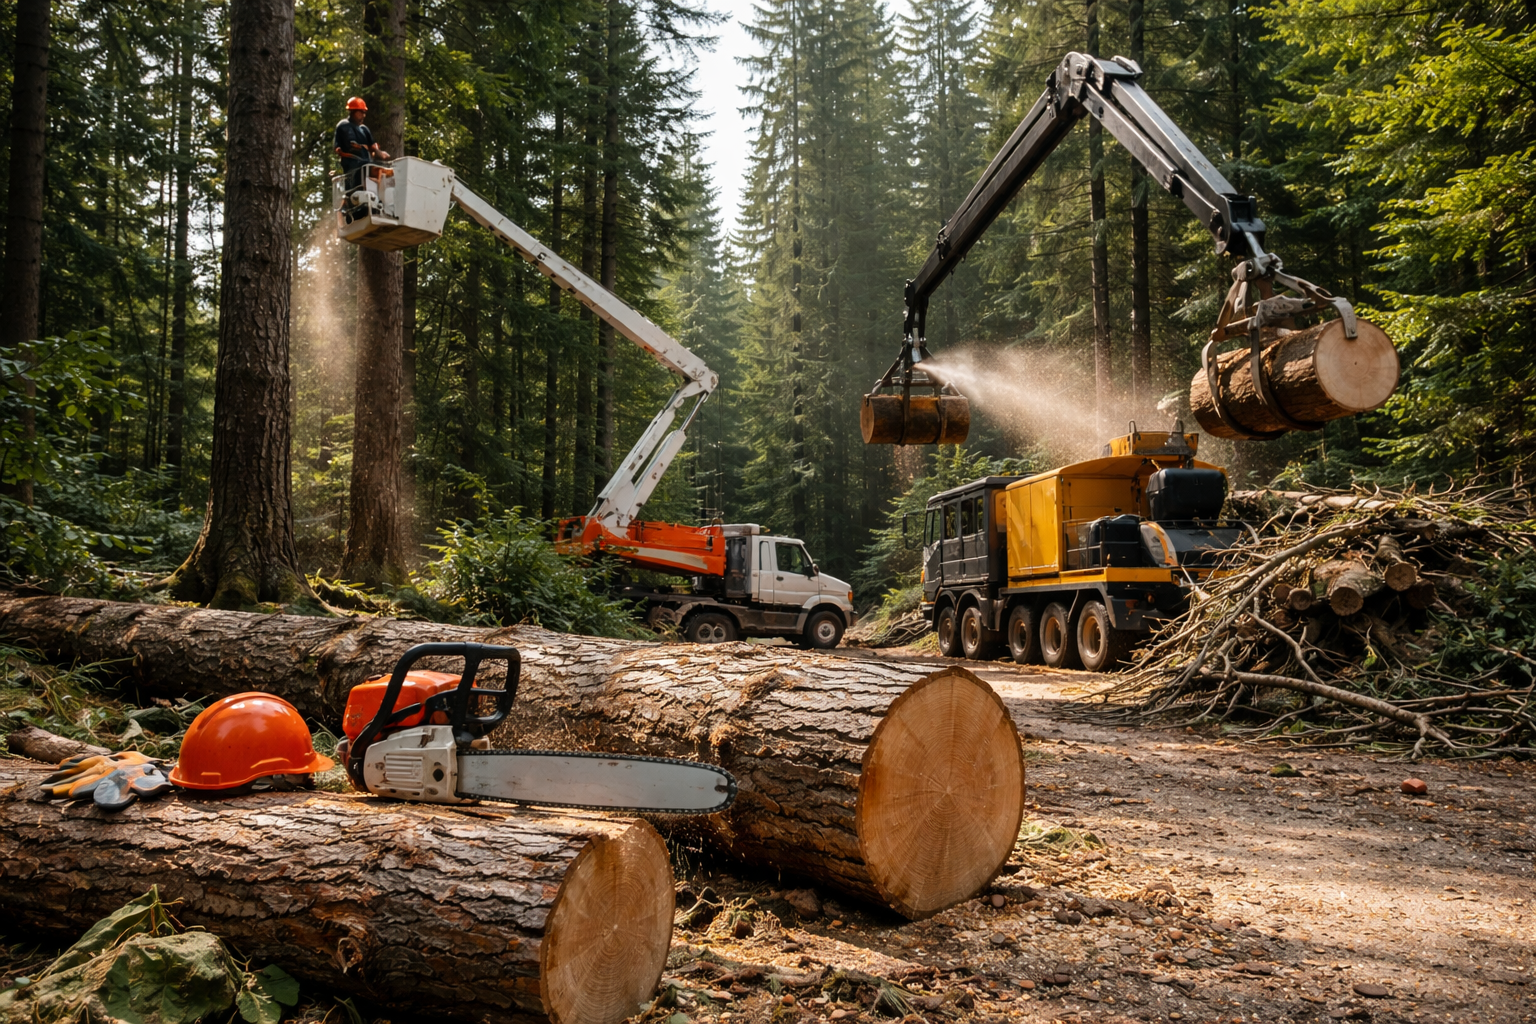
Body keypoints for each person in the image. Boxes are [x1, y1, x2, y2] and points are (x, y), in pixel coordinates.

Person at [335, 96, 390, 194]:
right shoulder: (344, 126)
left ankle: (383, 194)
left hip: (365, 165)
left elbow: (373, 148)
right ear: (352, 111)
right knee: (367, 168)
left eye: (364, 113)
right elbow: (350, 146)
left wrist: (380, 153)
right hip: (353, 166)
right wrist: (361, 147)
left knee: (384, 169)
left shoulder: (364, 129)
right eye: (361, 112)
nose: (364, 115)